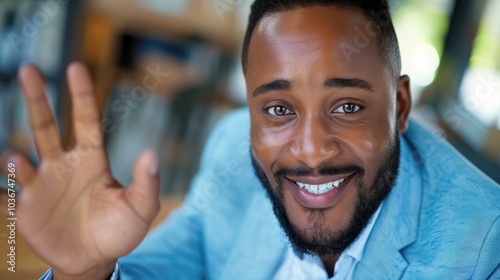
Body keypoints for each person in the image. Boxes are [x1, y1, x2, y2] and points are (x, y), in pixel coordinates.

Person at [1, 0, 499, 279]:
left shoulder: (485, 247)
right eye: (278, 110)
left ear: (401, 107)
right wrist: (86, 270)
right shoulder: (231, 153)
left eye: (347, 107)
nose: (309, 150)